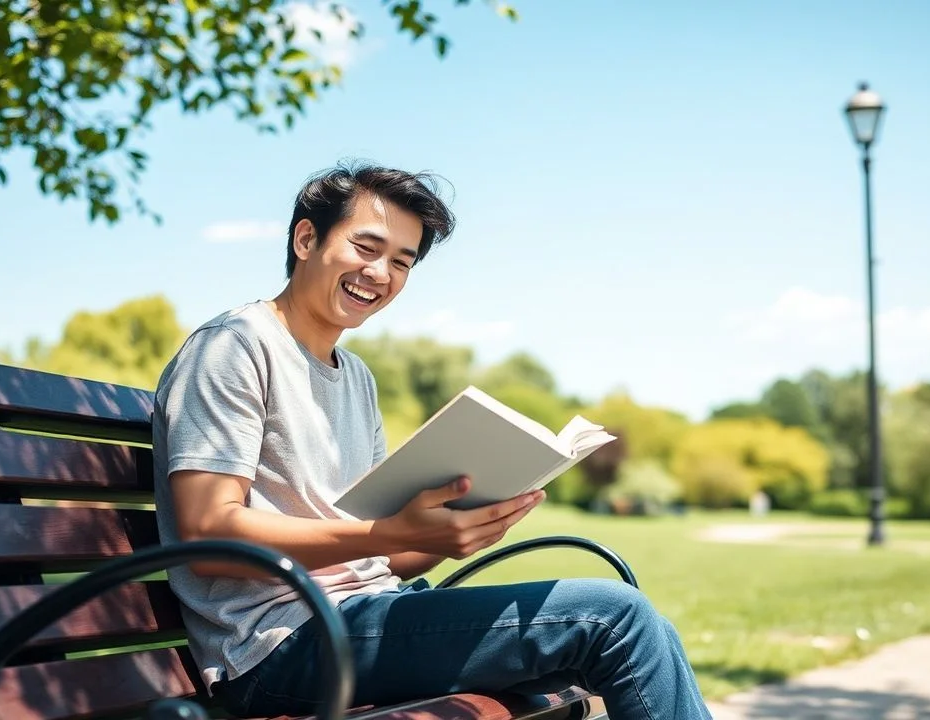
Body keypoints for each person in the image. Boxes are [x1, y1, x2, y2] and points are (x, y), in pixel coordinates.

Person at [151, 162, 712, 720]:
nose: (380, 273)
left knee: (635, 632)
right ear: (306, 238)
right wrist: (389, 532)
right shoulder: (234, 347)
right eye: (366, 247)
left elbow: (383, 553)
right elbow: (209, 531)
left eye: (402, 261)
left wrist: (461, 529)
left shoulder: (355, 378)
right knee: (612, 620)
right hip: (280, 645)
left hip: (370, 615)